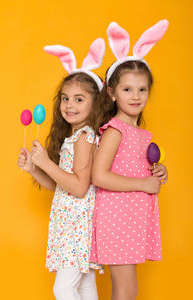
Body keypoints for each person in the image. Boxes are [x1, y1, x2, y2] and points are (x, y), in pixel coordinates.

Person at [17, 38, 105, 300]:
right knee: (85, 287)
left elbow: (79, 188)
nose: (69, 105)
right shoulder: (75, 137)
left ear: (96, 104)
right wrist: (35, 169)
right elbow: (62, 186)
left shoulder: (85, 137)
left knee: (63, 288)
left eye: (79, 99)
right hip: (71, 226)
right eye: (65, 98)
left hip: (78, 228)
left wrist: (45, 162)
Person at [90, 20, 169, 300]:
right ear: (111, 93)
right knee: (125, 287)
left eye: (142, 89)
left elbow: (136, 168)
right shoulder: (115, 129)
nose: (136, 96)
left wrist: (158, 172)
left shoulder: (138, 132)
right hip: (117, 216)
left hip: (131, 216)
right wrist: (144, 184)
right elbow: (99, 176)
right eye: (127, 90)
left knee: (129, 287)